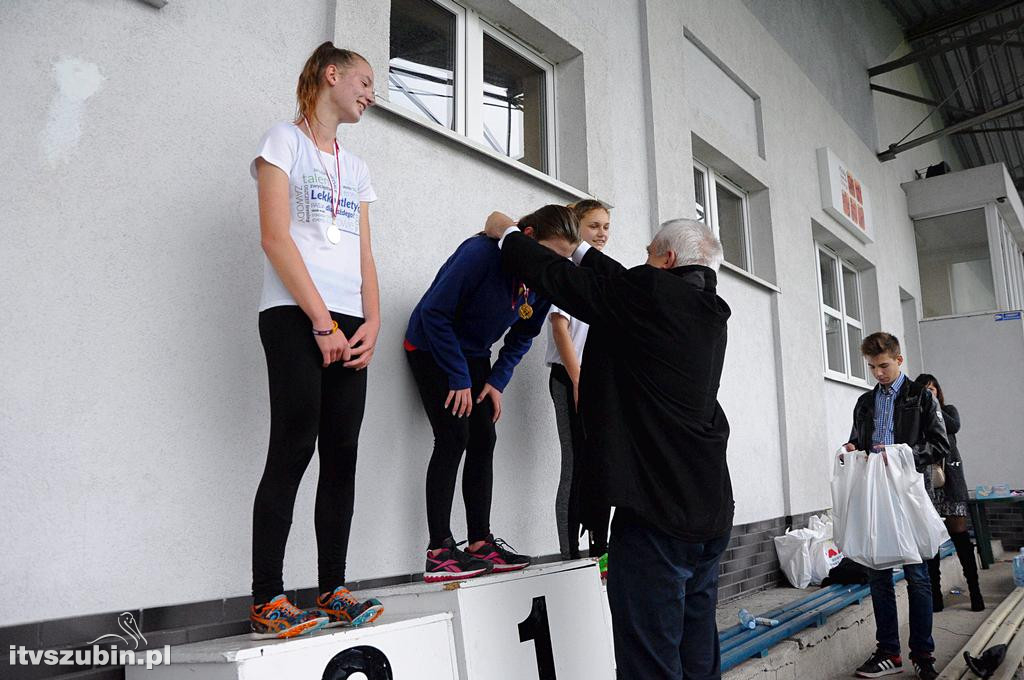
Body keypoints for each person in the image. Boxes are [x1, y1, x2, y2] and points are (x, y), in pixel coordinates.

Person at [484, 214, 734, 680]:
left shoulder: (652, 296)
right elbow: (623, 283)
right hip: (710, 511)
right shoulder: (706, 309)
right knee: (698, 654)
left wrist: (510, 235)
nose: (642, 263)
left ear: (669, 259)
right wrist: (579, 247)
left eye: (649, 256)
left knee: (649, 662)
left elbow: (559, 281)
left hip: (658, 515)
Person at [248, 42, 383, 639]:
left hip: (351, 323)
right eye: (364, 81)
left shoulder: (355, 169)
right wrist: (321, 323)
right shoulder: (283, 141)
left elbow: (364, 255)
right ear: (332, 75)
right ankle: (267, 598)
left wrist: (371, 322)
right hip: (294, 316)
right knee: (294, 446)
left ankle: (334, 589)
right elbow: (276, 239)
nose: (370, 94)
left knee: (343, 456)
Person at [405, 205, 580, 583]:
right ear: (528, 238)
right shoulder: (480, 254)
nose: (555, 265)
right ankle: (439, 551)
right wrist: (457, 377)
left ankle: (480, 542)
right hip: (431, 347)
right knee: (454, 436)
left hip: (474, 355)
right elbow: (434, 313)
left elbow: (524, 335)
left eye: (563, 259)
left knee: (484, 437)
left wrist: (496, 380)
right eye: (551, 254)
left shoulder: (543, 279)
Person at [844, 333, 949, 679]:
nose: (878, 373)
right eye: (872, 367)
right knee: (877, 573)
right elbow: (860, 440)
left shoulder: (921, 398)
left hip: (909, 493)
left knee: (917, 575)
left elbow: (938, 445)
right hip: (876, 495)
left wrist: (900, 456)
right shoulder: (864, 402)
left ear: (899, 360)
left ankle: (923, 654)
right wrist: (851, 447)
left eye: (884, 365)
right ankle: (889, 652)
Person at [545, 199, 611, 563]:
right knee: (576, 463)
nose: (601, 233)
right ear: (576, 229)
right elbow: (560, 329)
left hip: (599, 381)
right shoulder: (567, 270)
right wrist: (577, 380)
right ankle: (571, 554)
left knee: (603, 464)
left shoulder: (604, 275)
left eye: (605, 227)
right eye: (593, 226)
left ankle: (601, 550)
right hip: (569, 377)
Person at [914, 373, 984, 612]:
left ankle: (975, 592)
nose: (929, 391)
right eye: (925, 389)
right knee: (931, 539)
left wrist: (932, 405)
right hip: (928, 482)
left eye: (932, 388)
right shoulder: (915, 415)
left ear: (938, 391)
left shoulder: (948, 410)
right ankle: (935, 597)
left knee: (960, 534)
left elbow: (953, 426)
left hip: (951, 481)